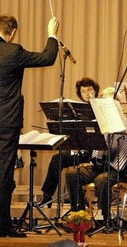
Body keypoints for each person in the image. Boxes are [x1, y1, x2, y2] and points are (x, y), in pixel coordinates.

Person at [0, 13, 59, 237]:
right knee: (4, 173)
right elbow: (48, 58)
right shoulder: (14, 51)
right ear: (13, 32)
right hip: (5, 121)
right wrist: (51, 34)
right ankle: (1, 226)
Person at [38, 77, 99, 207]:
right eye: (83, 91)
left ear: (95, 91)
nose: (87, 94)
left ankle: (80, 203)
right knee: (57, 158)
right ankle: (47, 195)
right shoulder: (76, 110)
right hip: (80, 151)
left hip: (96, 153)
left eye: (90, 90)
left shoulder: (101, 107)